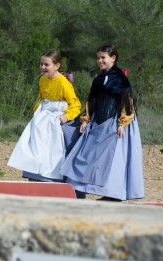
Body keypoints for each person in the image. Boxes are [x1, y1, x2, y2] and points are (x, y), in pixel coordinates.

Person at [61, 44, 144, 201]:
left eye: (103, 57)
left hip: (114, 123)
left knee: (112, 160)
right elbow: (91, 101)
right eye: (98, 58)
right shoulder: (98, 79)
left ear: (113, 58)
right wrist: (85, 119)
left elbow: (127, 102)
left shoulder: (120, 79)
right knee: (84, 155)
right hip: (97, 123)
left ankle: (113, 195)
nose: (99, 61)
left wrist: (122, 123)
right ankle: (78, 190)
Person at [7, 49, 81, 182]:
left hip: (58, 114)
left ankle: (54, 173)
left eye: (47, 65)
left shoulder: (64, 83)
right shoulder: (42, 80)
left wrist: (65, 116)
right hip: (43, 114)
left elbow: (75, 104)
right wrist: (36, 112)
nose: (43, 67)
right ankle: (35, 171)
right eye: (41, 64)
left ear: (57, 66)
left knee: (54, 139)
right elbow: (41, 99)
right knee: (34, 138)